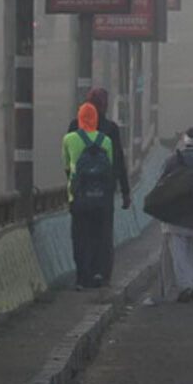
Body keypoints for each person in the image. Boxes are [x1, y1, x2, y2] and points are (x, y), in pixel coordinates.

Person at [67, 87, 130, 287]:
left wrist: (74, 185)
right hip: (104, 194)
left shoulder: (73, 127)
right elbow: (118, 162)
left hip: (79, 194)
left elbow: (68, 163)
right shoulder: (110, 129)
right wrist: (125, 191)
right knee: (102, 233)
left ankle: (82, 276)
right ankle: (101, 273)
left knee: (80, 234)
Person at [151, 127, 193, 305]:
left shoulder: (172, 161)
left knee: (179, 254)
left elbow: (159, 188)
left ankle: (185, 287)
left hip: (174, 218)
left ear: (184, 141)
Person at [63, 103, 115, 290]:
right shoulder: (106, 140)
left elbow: (67, 168)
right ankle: (97, 273)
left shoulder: (69, 139)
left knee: (80, 238)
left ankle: (81, 278)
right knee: (99, 236)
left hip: (77, 199)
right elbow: (109, 169)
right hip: (101, 199)